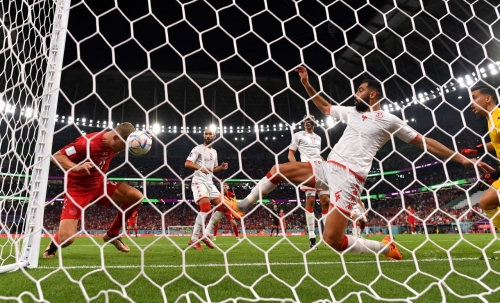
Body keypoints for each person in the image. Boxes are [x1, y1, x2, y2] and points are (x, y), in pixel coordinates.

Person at [228, 66, 493, 260]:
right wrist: (307, 84)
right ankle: (241, 205)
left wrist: (464, 160)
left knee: (332, 240)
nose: (356, 94)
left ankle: (385, 248)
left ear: (373, 95)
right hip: (327, 167)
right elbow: (324, 107)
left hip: (350, 177)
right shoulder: (352, 112)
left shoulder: (389, 120)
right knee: (278, 170)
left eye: (361, 90)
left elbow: (426, 142)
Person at [43, 123, 143, 258]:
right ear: (115, 138)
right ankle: (52, 246)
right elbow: (57, 156)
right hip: (78, 190)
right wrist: (77, 167)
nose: (123, 150)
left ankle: (112, 234)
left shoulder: (114, 143)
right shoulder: (86, 144)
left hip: (100, 186)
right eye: (123, 146)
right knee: (67, 239)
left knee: (136, 196)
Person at [461, 85, 500, 253]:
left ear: (488, 98)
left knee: (487, 201)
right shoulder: (491, 119)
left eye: (474, 97)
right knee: (487, 202)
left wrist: (495, 174)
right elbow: (496, 142)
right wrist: (478, 148)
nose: (471, 103)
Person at [288, 114, 330, 248]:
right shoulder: (298, 135)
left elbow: (317, 154)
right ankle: (312, 237)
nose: (306, 122)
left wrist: (326, 163)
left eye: (309, 120)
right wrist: (296, 168)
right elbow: (291, 153)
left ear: (314, 122)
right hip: (308, 169)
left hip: (321, 169)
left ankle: (327, 235)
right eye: (305, 120)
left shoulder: (319, 138)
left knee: (326, 201)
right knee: (310, 201)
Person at [185, 128, 228, 250]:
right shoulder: (197, 149)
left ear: (214, 136)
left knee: (223, 207)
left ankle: (205, 235)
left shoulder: (214, 152)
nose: (208, 135)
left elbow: (213, 169)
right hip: (199, 181)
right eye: (206, 134)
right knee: (206, 208)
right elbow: (187, 163)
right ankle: (193, 239)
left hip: (210, 183)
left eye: (210, 134)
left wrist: (222, 167)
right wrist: (199, 168)